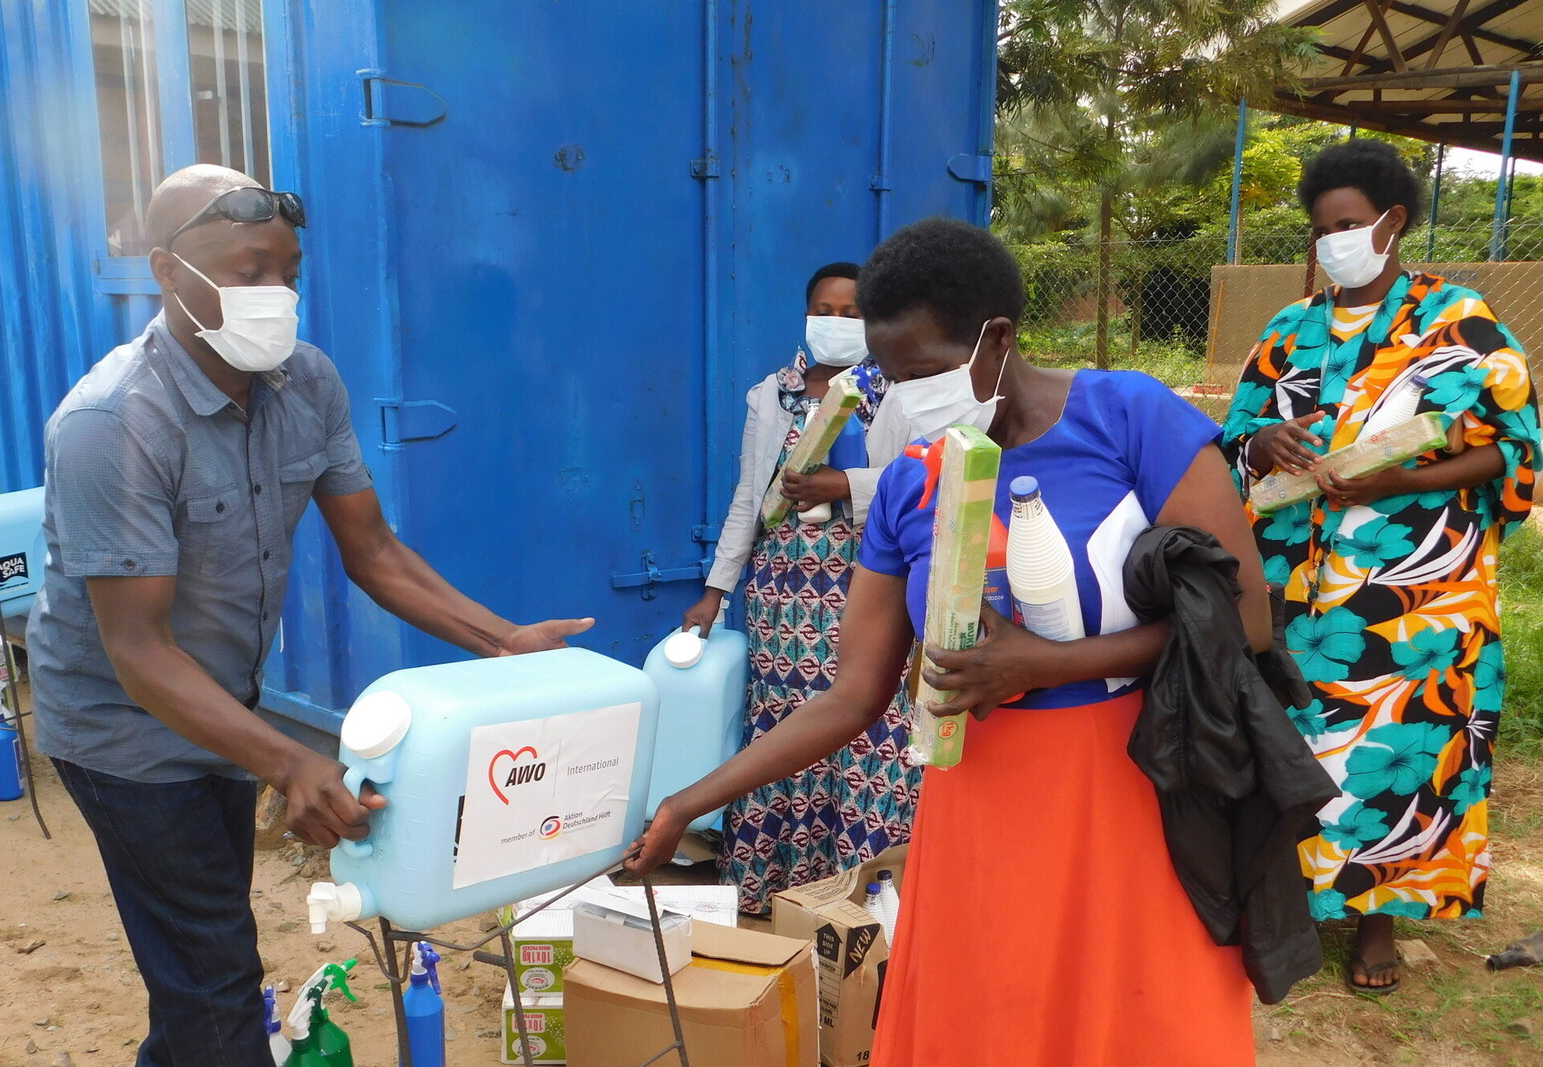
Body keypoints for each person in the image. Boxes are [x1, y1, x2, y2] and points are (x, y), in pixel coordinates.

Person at [636, 216, 1271, 1065]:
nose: (906, 400)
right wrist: (687, 801)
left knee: (1132, 1014)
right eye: (891, 379)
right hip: (979, 798)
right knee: (992, 1016)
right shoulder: (910, 485)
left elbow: (1245, 619)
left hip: (1138, 786)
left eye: (926, 373)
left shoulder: (1129, 419)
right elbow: (851, 694)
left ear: (997, 338)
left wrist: (1049, 665)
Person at [26, 164, 592, 1066]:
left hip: (221, 708)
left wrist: (507, 644)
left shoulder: (306, 382)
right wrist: (291, 758)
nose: (276, 295)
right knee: (214, 976)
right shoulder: (113, 422)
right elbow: (136, 650)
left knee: (200, 964)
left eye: (287, 272)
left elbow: (375, 552)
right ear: (170, 274)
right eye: (248, 272)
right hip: (121, 728)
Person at [1221, 138, 1539, 995]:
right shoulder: (1290, 330)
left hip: (1415, 591)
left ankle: (1377, 921)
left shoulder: (1460, 322)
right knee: (1300, 741)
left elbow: (1512, 449)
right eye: (1322, 229)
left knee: (1401, 741)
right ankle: (1293, 901)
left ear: (1393, 222)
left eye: (1349, 224)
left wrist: (1409, 479)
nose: (1333, 243)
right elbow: (1229, 442)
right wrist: (1260, 440)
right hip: (1300, 585)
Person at [679, 262, 921, 915]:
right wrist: (716, 590)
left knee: (868, 720)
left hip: (863, 580)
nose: (837, 322)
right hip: (780, 593)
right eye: (826, 310)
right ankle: (778, 888)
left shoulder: (888, 393)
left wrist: (843, 486)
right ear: (806, 314)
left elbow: (915, 482)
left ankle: (864, 888)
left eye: (851, 312)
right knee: (781, 729)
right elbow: (747, 499)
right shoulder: (771, 394)